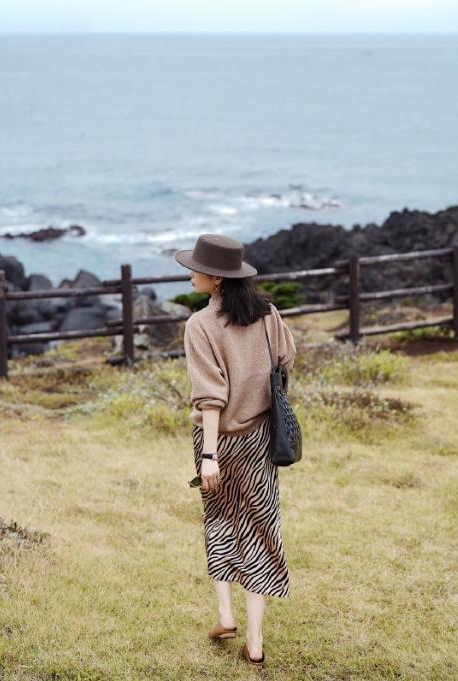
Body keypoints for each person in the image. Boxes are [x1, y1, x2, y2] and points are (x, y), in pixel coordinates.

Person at [175, 233, 297, 669]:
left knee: (222, 520)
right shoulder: (267, 315)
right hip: (261, 438)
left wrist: (209, 456)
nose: (190, 272)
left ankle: (225, 615)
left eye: (195, 267)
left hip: (220, 443)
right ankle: (255, 642)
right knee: (261, 528)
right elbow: (286, 359)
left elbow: (210, 398)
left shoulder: (200, 325)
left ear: (215, 279)